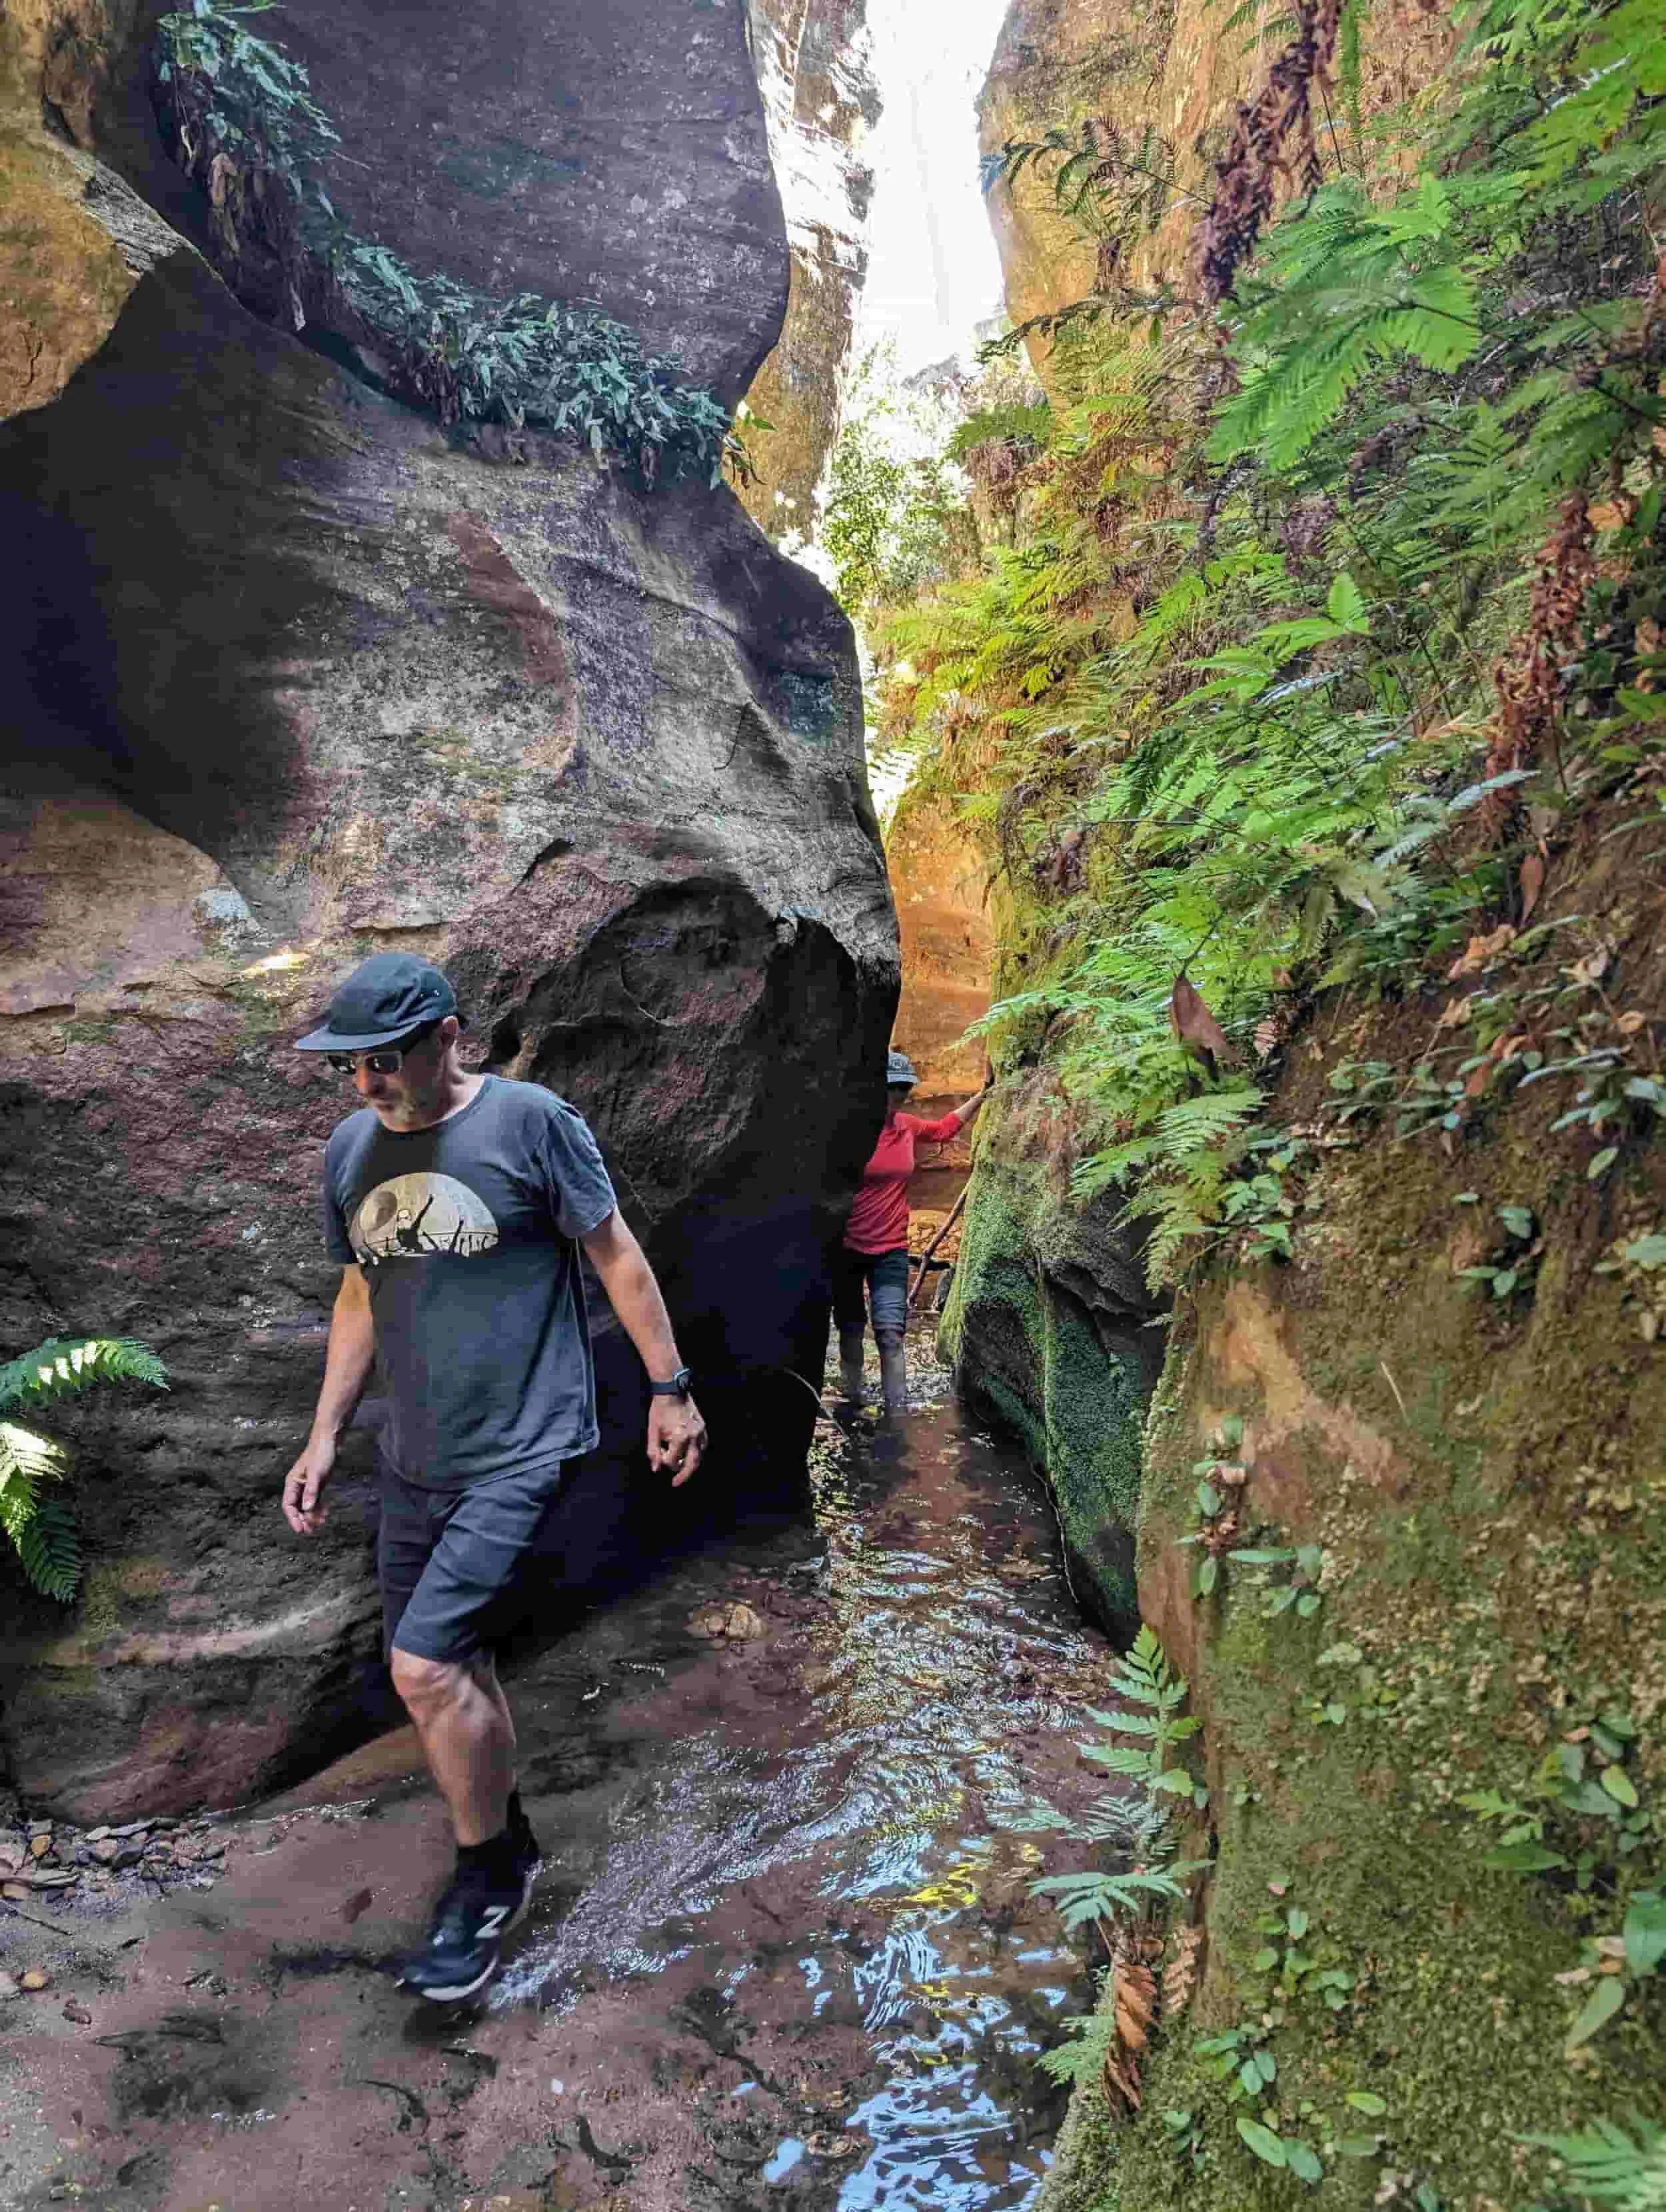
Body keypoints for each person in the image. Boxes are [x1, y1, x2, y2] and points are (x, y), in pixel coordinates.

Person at [280, 952, 705, 2001]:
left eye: (384, 1060)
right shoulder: (350, 1150)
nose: (365, 1083)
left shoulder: (530, 1124)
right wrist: (325, 1433)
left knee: (425, 1671)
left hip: (526, 1443)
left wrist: (671, 1388)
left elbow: (615, 1254)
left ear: (447, 1037)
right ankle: (507, 1838)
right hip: (416, 1456)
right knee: (454, 1663)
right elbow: (358, 1293)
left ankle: (484, 1879)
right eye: (348, 1065)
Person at [834, 1047, 991, 1412]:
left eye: (904, 1087)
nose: (899, 1094)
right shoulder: (849, 1130)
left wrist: (983, 1095)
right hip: (846, 1248)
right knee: (851, 1329)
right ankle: (852, 1401)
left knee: (891, 1333)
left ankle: (896, 1411)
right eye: (892, 1086)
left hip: (891, 1249)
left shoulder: (906, 1126)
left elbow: (944, 1128)